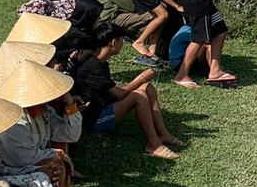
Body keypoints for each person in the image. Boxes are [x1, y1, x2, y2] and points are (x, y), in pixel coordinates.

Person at [71, 23, 185, 158]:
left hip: (104, 104)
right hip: (95, 118)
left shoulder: (101, 62)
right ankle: (153, 144)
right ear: (114, 42)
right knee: (138, 96)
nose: (122, 45)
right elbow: (119, 94)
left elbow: (111, 92)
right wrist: (140, 79)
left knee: (147, 88)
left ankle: (163, 134)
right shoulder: (92, 67)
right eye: (121, 41)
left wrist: (142, 82)